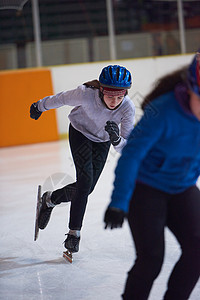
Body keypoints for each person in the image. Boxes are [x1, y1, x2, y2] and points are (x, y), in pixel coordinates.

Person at [104, 51, 200, 299]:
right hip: (146, 188)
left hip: (183, 187)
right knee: (151, 259)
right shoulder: (163, 112)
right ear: (190, 88)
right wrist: (119, 202)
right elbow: (131, 156)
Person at [30, 65, 135, 254]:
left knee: (88, 187)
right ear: (102, 89)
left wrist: (117, 139)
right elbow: (61, 99)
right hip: (80, 133)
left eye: (120, 96)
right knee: (85, 182)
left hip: (103, 140)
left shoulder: (128, 108)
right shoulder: (86, 94)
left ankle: (50, 199)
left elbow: (127, 147)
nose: (115, 101)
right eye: (111, 95)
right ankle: (74, 233)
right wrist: (39, 106)